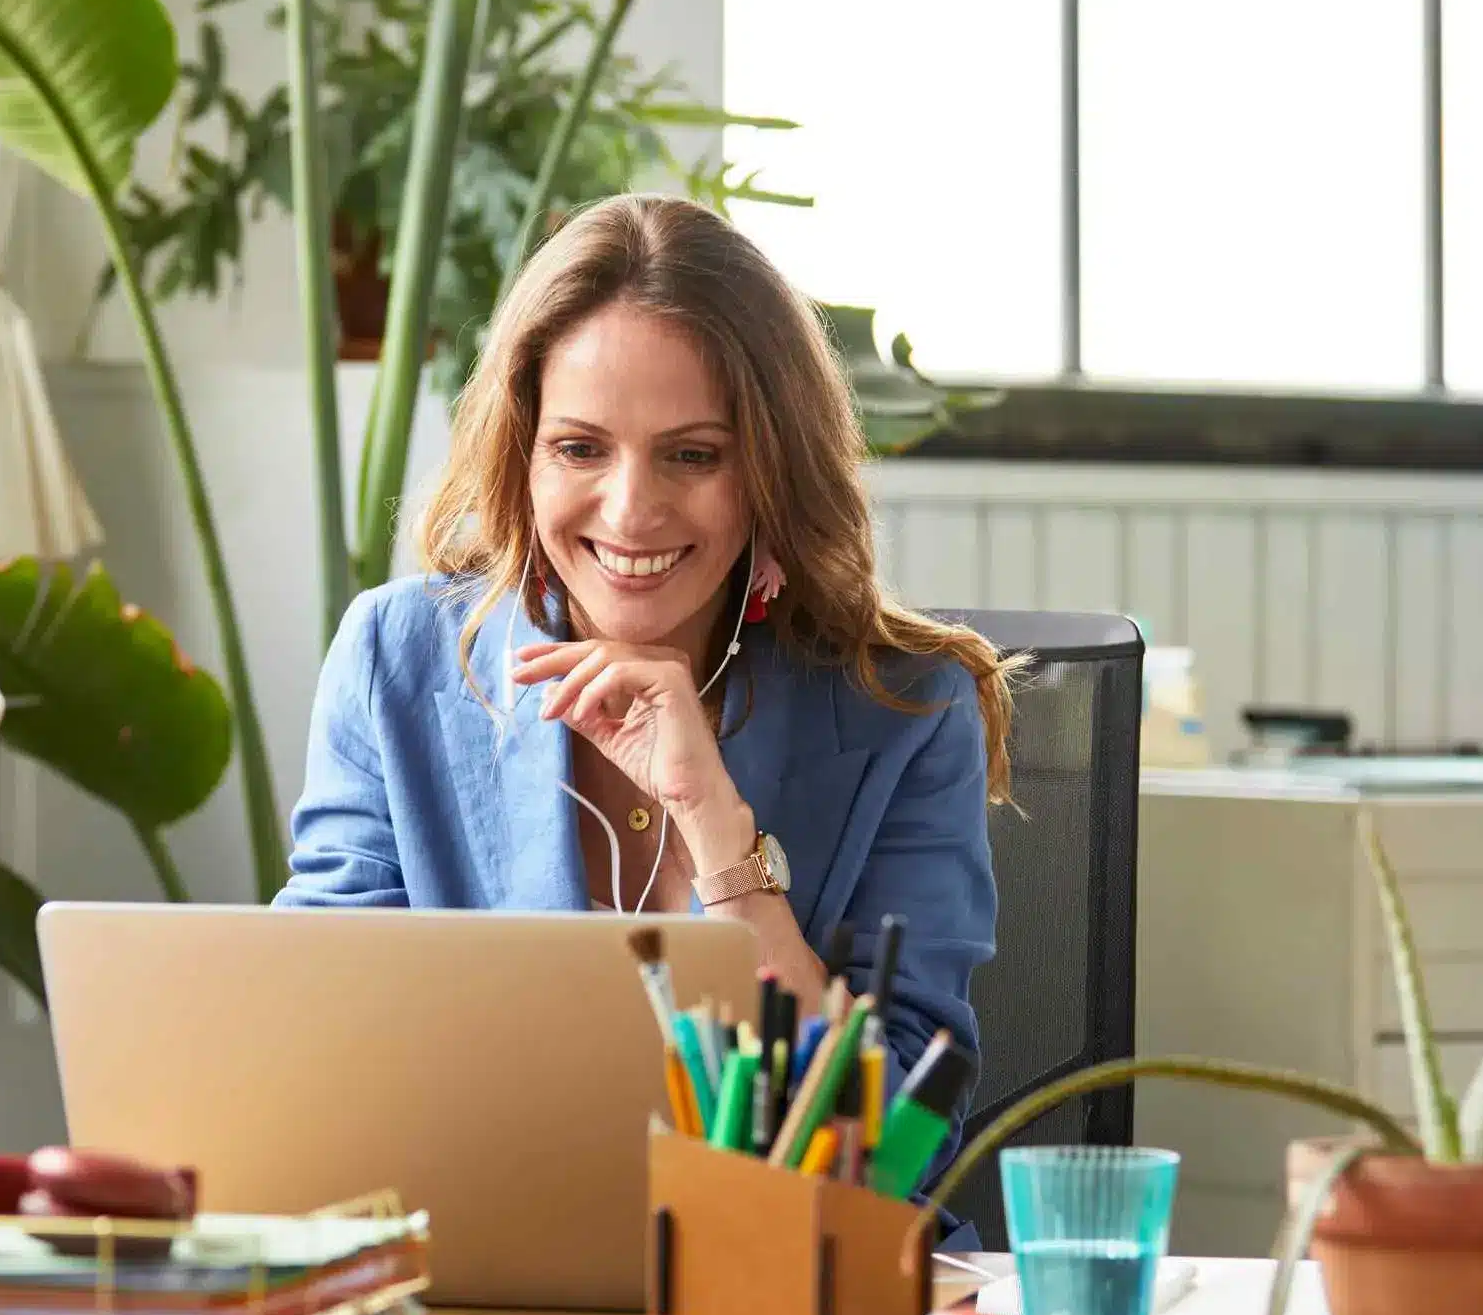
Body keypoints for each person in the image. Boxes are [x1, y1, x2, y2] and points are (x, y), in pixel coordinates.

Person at [278, 194, 1014, 1129]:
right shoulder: (395, 659)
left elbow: (898, 1134)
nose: (630, 511)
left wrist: (716, 831)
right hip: (474, 1253)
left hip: (777, 1258)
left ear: (771, 468)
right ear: (523, 455)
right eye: (580, 448)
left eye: (693, 456)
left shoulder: (907, 710)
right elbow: (321, 1035)